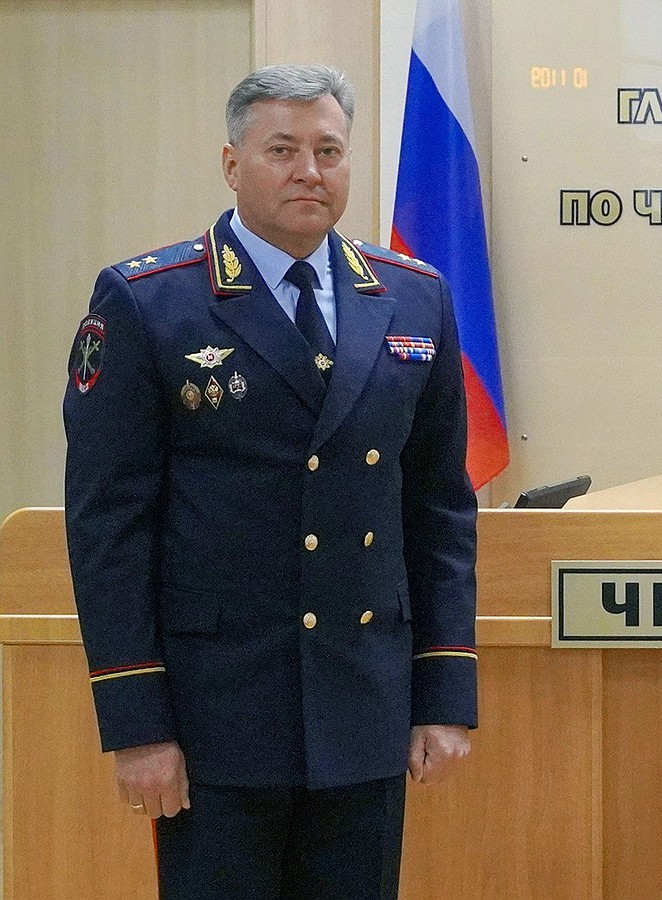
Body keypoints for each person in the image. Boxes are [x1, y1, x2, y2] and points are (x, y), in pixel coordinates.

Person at [62, 64, 478, 899]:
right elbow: (109, 526)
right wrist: (137, 724)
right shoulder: (151, 303)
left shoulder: (411, 298)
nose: (309, 172)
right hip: (217, 712)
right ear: (231, 163)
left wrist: (443, 692)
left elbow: (438, 510)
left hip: (364, 701)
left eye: (329, 150)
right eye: (282, 150)